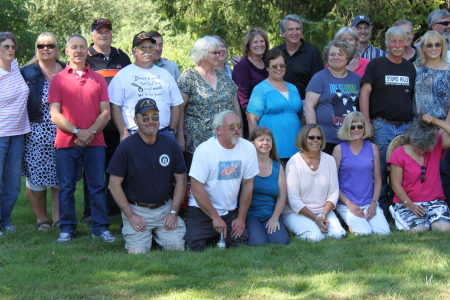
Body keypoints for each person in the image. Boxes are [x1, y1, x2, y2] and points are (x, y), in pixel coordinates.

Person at [48, 34, 115, 243]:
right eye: (73, 47)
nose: (77, 51)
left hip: (95, 142)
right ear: (67, 51)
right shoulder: (58, 80)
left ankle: (100, 227)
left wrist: (89, 132)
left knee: (97, 186)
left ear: (87, 51)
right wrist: (78, 132)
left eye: (81, 47)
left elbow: (106, 113)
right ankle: (67, 228)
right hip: (67, 142)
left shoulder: (98, 79)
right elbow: (55, 114)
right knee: (67, 187)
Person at [107, 98, 187, 253]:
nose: (151, 121)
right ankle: (147, 238)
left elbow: (181, 180)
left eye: (155, 117)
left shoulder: (170, 144)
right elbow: (113, 184)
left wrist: (173, 212)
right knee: (138, 253)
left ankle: (157, 236)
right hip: (138, 211)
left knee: (177, 250)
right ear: (136, 120)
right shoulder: (126, 147)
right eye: (145, 118)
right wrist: (130, 215)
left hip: (165, 209)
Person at [184, 110, 259, 251]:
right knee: (193, 248)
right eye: (231, 126)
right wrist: (215, 217)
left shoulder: (248, 148)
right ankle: (214, 235)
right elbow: (196, 188)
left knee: (239, 246)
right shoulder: (204, 150)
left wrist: (241, 218)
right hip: (202, 210)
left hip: (230, 211)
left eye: (238, 125)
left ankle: (219, 236)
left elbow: (248, 184)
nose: (236, 129)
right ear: (218, 130)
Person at [360, 26, 416, 211]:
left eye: (401, 41)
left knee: (405, 170)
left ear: (406, 43)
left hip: (406, 127)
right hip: (382, 125)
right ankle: (381, 210)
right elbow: (364, 94)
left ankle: (400, 207)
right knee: (381, 170)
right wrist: (367, 122)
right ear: (386, 43)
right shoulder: (375, 64)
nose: (398, 45)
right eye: (394, 41)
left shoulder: (410, 67)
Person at [20, 32, 69, 230]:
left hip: (65, 130)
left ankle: (58, 217)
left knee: (60, 177)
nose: (45, 49)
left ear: (57, 49)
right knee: (36, 178)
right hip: (35, 132)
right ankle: (42, 218)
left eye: (50, 45)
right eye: (41, 46)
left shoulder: (68, 69)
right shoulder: (27, 72)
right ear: (36, 49)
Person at [84, 18, 132, 220]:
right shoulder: (85, 57)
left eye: (107, 31)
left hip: (118, 123)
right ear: (92, 35)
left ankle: (114, 209)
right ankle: (91, 212)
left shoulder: (122, 56)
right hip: (94, 123)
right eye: (99, 31)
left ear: (111, 33)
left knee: (117, 169)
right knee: (93, 171)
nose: (103, 34)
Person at [177, 36, 241, 170]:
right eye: (215, 53)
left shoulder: (225, 78)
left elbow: (235, 106)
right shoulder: (188, 77)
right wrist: (180, 136)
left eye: (220, 52)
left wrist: (238, 130)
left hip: (225, 141)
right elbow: (179, 108)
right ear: (203, 54)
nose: (219, 55)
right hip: (197, 144)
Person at [109, 31, 183, 142]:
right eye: (143, 48)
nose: (148, 51)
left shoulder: (165, 74)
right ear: (134, 52)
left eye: (151, 47)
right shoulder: (123, 75)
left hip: (163, 133)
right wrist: (123, 132)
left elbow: (176, 104)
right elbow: (114, 105)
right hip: (134, 134)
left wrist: (172, 131)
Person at [282, 124, 346, 242]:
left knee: (337, 234)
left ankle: (316, 227)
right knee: (316, 237)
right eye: (311, 137)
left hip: (323, 211)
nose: (315, 140)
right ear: (303, 139)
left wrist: (324, 214)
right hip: (297, 212)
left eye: (319, 137)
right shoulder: (294, 162)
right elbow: (294, 200)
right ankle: (304, 231)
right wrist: (315, 219)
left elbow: (334, 192)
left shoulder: (329, 160)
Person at [388, 114, 450, 233]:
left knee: (444, 229)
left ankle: (431, 221)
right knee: (419, 230)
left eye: (425, 148)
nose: (421, 150)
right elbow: (396, 185)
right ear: (412, 139)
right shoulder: (399, 153)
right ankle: (399, 213)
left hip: (434, 201)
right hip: (408, 202)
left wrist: (435, 121)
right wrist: (410, 204)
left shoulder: (436, 146)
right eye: (418, 147)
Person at [332, 112, 390, 235]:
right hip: (347, 203)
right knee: (365, 232)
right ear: (347, 128)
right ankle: (350, 224)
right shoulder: (339, 149)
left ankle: (358, 222)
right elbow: (332, 182)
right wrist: (349, 204)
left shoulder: (373, 148)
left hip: (369, 202)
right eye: (352, 127)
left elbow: (378, 179)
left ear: (365, 128)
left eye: (360, 126)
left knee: (384, 232)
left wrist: (374, 203)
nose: (356, 130)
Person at [413, 30, 450, 207]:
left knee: (442, 169)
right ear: (423, 48)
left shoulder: (449, 70)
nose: (434, 48)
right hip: (419, 127)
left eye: (438, 44)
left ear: (443, 47)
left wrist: (445, 126)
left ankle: (445, 206)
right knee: (421, 168)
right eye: (429, 45)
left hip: (443, 126)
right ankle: (423, 204)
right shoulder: (415, 68)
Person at [247, 49, 303, 165]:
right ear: (267, 68)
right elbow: (252, 118)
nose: (279, 68)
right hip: (272, 147)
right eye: (274, 66)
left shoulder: (293, 88)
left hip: (295, 146)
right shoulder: (260, 89)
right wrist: (254, 146)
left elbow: (301, 115)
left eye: (282, 65)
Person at [304, 40, 361, 155]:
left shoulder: (356, 79)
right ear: (327, 57)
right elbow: (309, 107)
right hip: (325, 140)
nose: (336, 57)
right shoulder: (319, 77)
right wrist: (314, 133)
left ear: (348, 58)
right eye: (332, 54)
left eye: (340, 54)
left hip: (350, 138)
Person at [0, 32, 30, 235]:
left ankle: (5, 220)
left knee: (13, 183)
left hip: (19, 134)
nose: (11, 50)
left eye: (13, 46)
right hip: (0, 134)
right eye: (6, 47)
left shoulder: (16, 66)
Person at [247, 126, 290, 246]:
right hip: (250, 215)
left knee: (282, 242)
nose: (265, 143)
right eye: (261, 140)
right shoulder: (247, 165)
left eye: (268, 140)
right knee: (258, 243)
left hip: (270, 214)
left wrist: (275, 218)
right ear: (252, 143)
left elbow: (282, 196)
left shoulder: (278, 167)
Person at [272, 14, 323, 99]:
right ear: (283, 33)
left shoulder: (312, 53)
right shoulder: (275, 53)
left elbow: (319, 83)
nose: (295, 33)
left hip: (304, 103)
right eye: (290, 29)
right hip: (278, 102)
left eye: (298, 29)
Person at [232, 27, 269, 138]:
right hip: (251, 120)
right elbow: (242, 95)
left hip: (268, 117)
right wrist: (252, 118)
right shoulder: (242, 65)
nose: (259, 45)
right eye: (255, 42)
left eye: (262, 41)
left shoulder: (268, 63)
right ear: (248, 45)